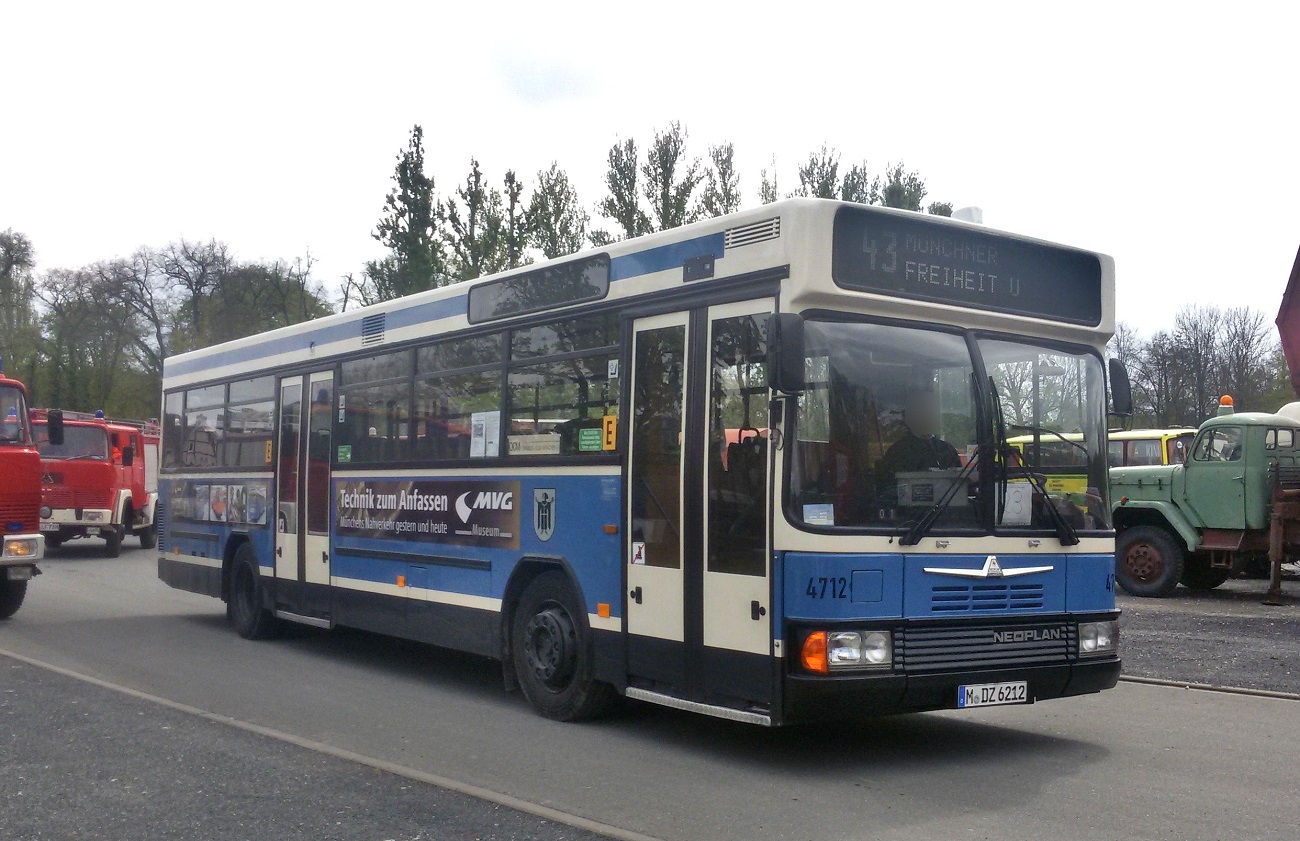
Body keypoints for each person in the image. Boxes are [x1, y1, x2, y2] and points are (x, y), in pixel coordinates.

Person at [878, 389, 962, 487]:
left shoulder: (948, 450)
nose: (928, 414)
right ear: (910, 415)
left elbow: (960, 487)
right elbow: (888, 492)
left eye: (932, 409)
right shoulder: (897, 452)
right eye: (922, 409)